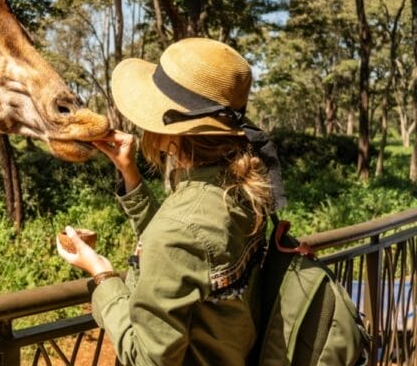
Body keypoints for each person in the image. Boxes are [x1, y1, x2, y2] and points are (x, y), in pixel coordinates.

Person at [57, 37, 285, 365]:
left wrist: (103, 277)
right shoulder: (243, 190)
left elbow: (145, 357)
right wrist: (130, 173)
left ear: (171, 131)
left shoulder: (181, 226)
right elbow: (186, 256)